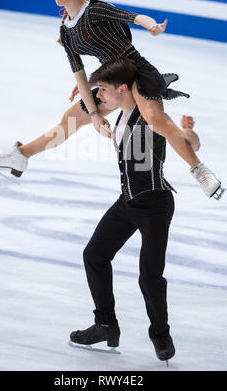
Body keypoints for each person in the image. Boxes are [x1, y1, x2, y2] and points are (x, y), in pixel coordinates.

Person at [0, 0, 223, 199]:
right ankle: (21, 155)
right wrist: (95, 115)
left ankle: (200, 172)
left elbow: (133, 17)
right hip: (110, 78)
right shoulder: (65, 30)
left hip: (136, 70)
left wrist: (153, 27)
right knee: (70, 120)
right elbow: (79, 75)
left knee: (156, 120)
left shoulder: (95, 9)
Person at [69, 57, 201, 363]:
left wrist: (189, 133)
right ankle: (105, 325)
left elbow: (186, 143)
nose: (99, 95)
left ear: (124, 89)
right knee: (95, 255)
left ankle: (161, 336)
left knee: (150, 276)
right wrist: (87, 89)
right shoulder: (124, 111)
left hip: (155, 205)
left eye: (103, 90)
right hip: (128, 201)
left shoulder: (151, 116)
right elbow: (91, 107)